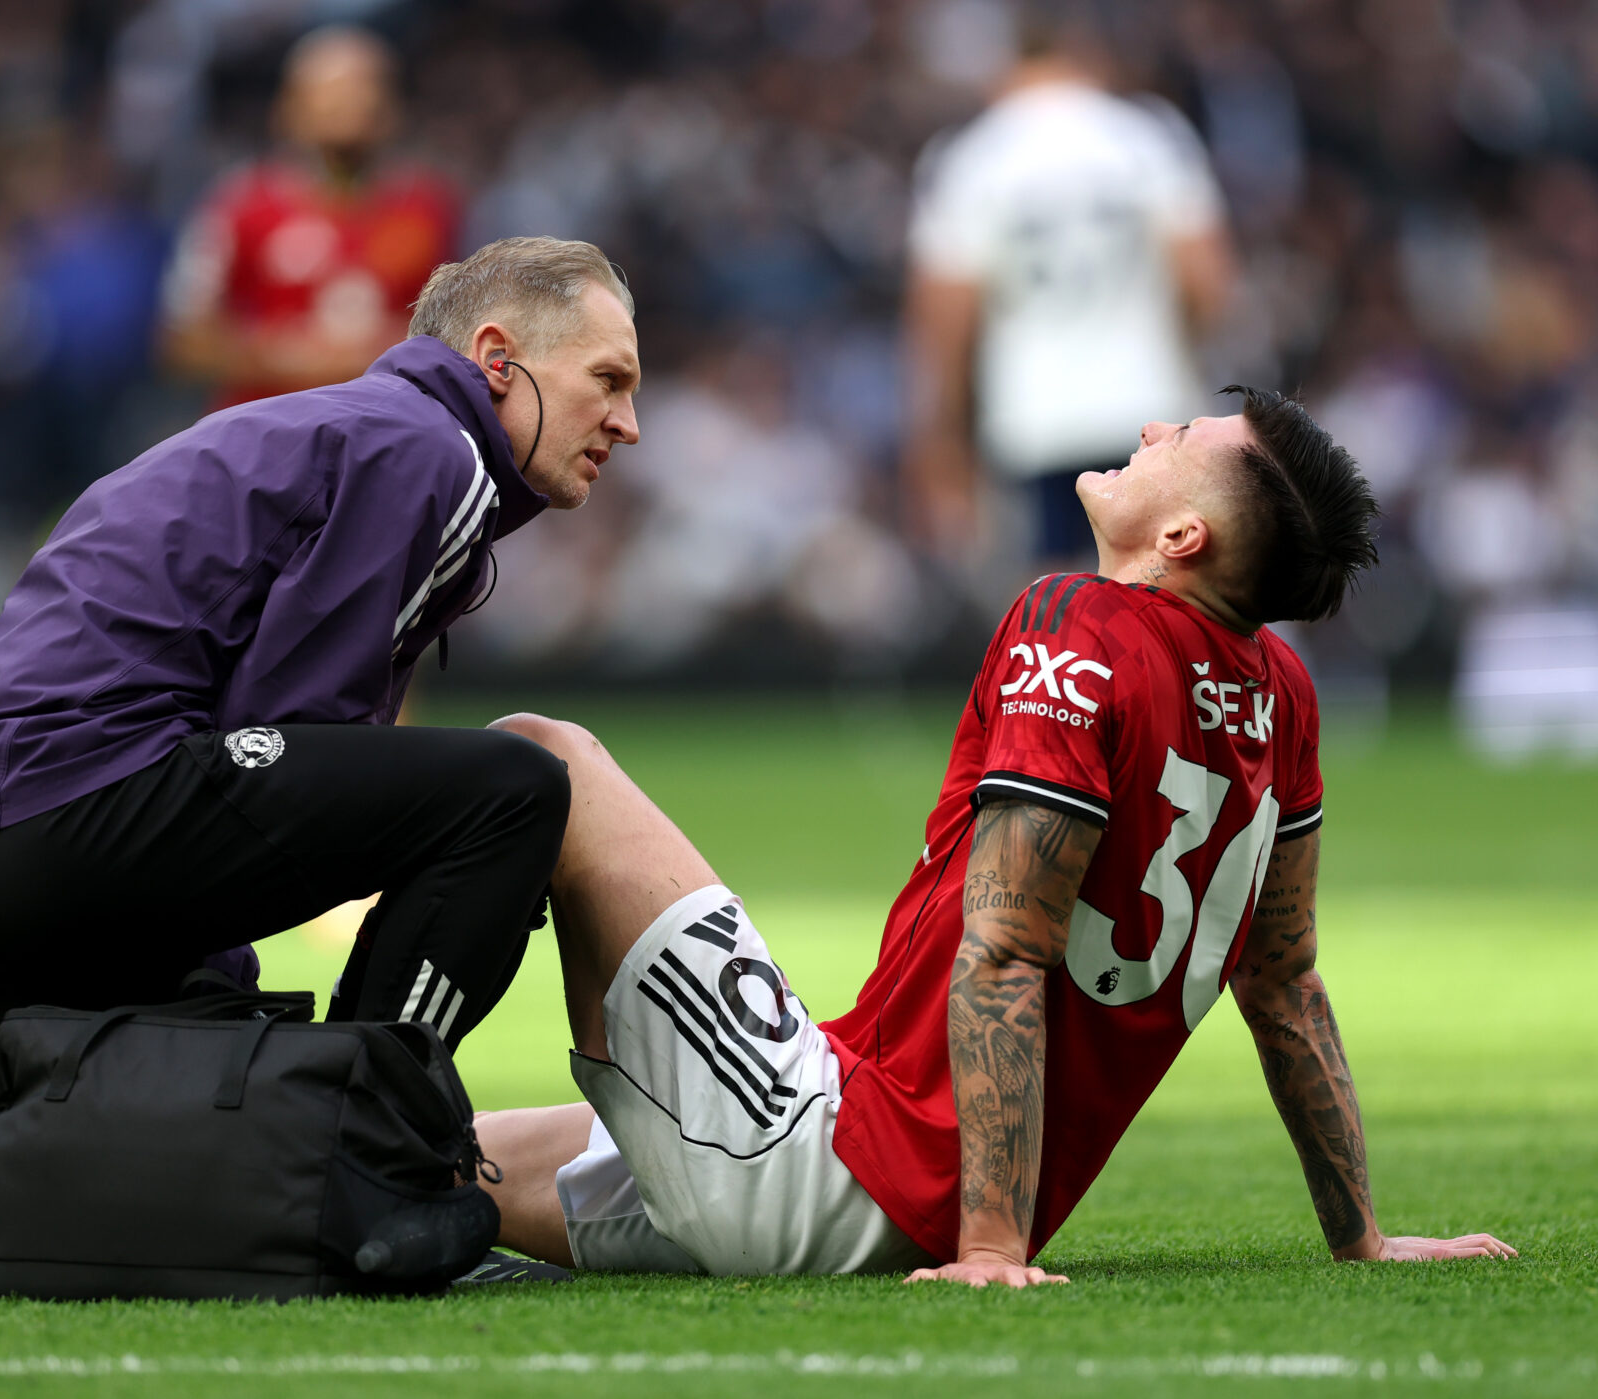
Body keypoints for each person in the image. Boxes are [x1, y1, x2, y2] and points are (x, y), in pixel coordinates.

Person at [0, 235, 642, 1293]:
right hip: (82, 797)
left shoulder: (345, 425)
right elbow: (299, 729)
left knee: (155, 1172)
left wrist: (207, 1007)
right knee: (515, 790)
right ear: (495, 357)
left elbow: (263, 758)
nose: (628, 422)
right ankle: (375, 1162)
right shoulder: (426, 448)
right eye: (606, 379)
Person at [476, 388, 1517, 1282]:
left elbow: (1009, 945)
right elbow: (1283, 982)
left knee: (542, 756)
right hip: (861, 1160)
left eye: (1183, 437)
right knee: (400, 1153)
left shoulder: (1072, 622)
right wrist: (1360, 1239)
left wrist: (986, 1248)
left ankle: (373, 1004)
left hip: (824, 1161)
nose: (1151, 425)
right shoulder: (1282, 692)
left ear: (1180, 538)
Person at [904, 8, 1236, 576]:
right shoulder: (1149, 136)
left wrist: (941, 440)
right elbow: (1208, 282)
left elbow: (945, 323)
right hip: (1147, 398)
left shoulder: (969, 159)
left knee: (1054, 605)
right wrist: (1181, 349)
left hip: (1032, 414)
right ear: (1089, 50)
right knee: (1170, 588)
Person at [160, 25, 463, 409]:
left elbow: (462, 332)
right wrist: (284, 357)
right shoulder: (239, 206)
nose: (351, 103)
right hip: (267, 439)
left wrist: (387, 349)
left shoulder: (431, 209)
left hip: (392, 440)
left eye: (365, 87)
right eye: (331, 92)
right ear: (288, 108)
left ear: (393, 107)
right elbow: (182, 338)